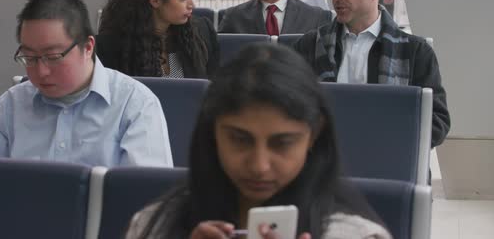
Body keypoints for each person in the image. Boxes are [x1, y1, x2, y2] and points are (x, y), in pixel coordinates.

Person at [125, 43, 392, 239]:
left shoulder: (354, 235)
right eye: (240, 140)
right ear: (213, 132)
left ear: (314, 133)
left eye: (282, 143)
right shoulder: (154, 226)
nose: (259, 165)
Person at [0, 0, 173, 167]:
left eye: (53, 57)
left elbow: (146, 196)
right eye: (29, 58)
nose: (41, 71)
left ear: (88, 47)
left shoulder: (134, 106)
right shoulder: (7, 109)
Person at [293, 0, 450, 148]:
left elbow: (436, 123)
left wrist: (378, 138)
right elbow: (287, 108)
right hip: (323, 163)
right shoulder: (309, 45)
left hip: (387, 161)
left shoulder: (415, 52)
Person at [96, 0, 218, 78]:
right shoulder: (110, 46)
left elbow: (214, 91)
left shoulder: (202, 32)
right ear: (155, 0)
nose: (192, 4)